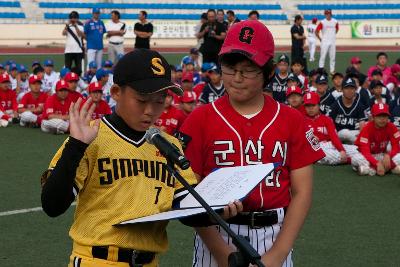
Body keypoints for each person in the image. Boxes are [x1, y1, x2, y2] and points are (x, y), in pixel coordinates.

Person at [40, 49, 241, 267]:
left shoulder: (169, 146)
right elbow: (52, 205)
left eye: (159, 100)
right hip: (96, 259)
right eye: (142, 100)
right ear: (116, 92)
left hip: (150, 262)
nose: (150, 110)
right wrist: (75, 147)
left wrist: (216, 211)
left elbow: (186, 209)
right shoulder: (90, 136)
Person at [178, 19, 325, 267]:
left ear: (267, 73)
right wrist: (221, 252)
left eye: (247, 70)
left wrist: (278, 254)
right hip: (215, 233)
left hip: (273, 235)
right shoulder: (199, 119)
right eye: (230, 67)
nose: (236, 78)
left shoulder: (291, 119)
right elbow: (191, 196)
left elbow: (302, 192)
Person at [303, 92, 368, 167]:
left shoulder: (326, 119)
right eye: (307, 106)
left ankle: (368, 158)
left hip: (330, 145)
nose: (310, 108)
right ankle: (353, 160)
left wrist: (341, 150)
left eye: (313, 105)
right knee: (321, 154)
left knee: (357, 149)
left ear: (319, 105)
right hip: (316, 148)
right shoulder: (301, 121)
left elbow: (334, 137)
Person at [354, 103, 400, 175]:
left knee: (398, 156)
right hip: (368, 156)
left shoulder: (392, 127)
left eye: (385, 116)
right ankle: (391, 168)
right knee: (355, 158)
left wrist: (388, 155)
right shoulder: (366, 128)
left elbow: (396, 147)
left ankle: (368, 170)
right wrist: (377, 164)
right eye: (379, 116)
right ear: (373, 117)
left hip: (382, 155)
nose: (382, 119)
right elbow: (365, 151)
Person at [328, 77, 368, 143]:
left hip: (354, 134)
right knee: (345, 133)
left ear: (355, 90)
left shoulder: (359, 105)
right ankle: (360, 143)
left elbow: (362, 126)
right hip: (338, 135)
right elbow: (328, 123)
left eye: (352, 88)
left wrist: (362, 135)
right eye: (346, 88)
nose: (349, 90)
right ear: (342, 90)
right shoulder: (336, 104)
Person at [316, 9, 339, 75]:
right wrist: (320, 39)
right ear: (325, 14)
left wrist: (332, 35)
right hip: (325, 41)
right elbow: (316, 31)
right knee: (322, 56)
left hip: (332, 41)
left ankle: (332, 71)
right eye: (327, 14)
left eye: (329, 14)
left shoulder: (335, 21)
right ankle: (321, 70)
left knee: (332, 57)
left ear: (331, 14)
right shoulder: (322, 22)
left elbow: (337, 29)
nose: (328, 15)